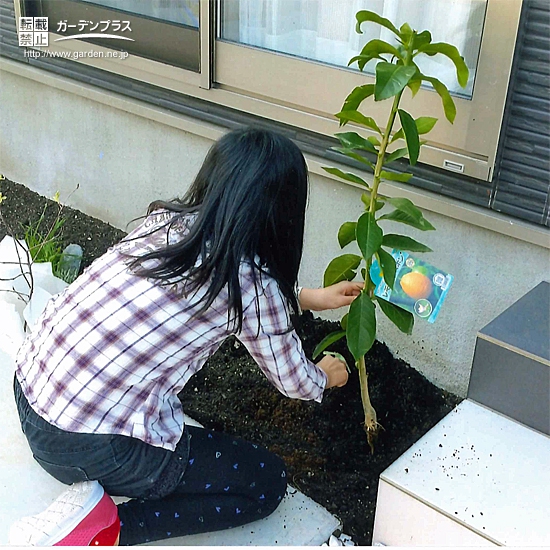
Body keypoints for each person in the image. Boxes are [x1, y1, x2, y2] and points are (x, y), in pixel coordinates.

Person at [10, 127, 361, 546]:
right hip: (85, 447)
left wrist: (309, 298)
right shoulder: (249, 286)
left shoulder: (165, 225)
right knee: (266, 482)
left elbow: (251, 305)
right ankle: (109, 530)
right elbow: (295, 382)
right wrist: (327, 377)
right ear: (281, 215)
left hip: (31, 395)